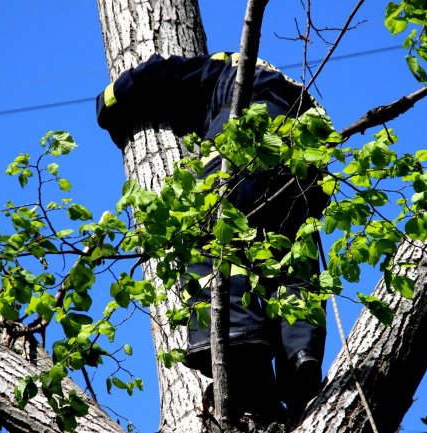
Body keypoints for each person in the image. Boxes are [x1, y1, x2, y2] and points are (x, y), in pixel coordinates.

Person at [95, 52, 328, 421]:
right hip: (307, 168)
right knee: (290, 260)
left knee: (214, 235)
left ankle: (237, 338)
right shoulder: (300, 98)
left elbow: (159, 73)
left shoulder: (224, 68)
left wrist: (108, 102)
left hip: (250, 134)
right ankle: (301, 354)